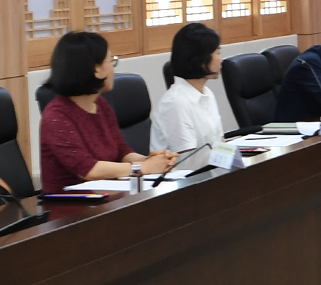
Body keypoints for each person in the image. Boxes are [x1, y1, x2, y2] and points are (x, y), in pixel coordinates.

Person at [39, 31, 177, 192]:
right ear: (96, 69)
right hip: (71, 202)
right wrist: (143, 168)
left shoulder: (100, 104)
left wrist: (153, 160)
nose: (113, 69)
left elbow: (122, 152)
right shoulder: (56, 116)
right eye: (111, 61)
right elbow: (88, 170)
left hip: (108, 195)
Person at [152, 22, 227, 155]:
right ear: (201, 60)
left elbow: (219, 141)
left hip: (210, 166)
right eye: (217, 53)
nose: (221, 59)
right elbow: (188, 159)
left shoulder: (207, 94)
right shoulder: (175, 102)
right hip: (188, 168)